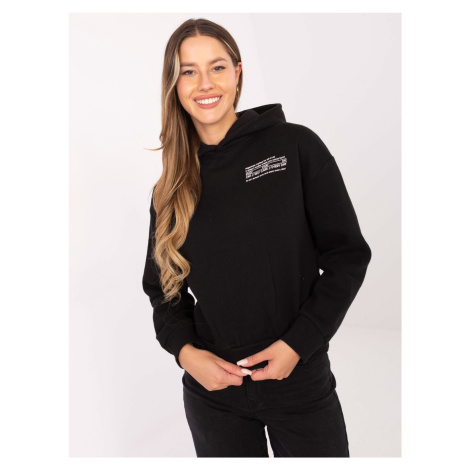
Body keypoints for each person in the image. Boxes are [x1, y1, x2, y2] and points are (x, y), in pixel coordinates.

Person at [142, 18, 372, 458]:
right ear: (174, 84)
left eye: (217, 67)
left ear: (237, 73)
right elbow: (162, 289)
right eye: (188, 71)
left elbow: (347, 256)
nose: (204, 83)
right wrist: (187, 353)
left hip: (299, 381)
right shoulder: (170, 187)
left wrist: (298, 345)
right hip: (214, 396)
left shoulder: (294, 147)